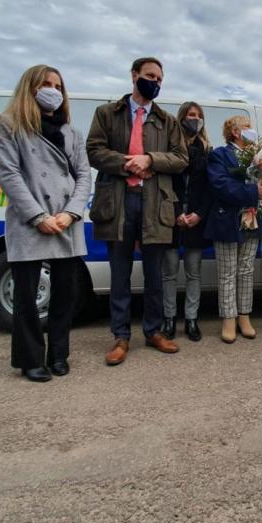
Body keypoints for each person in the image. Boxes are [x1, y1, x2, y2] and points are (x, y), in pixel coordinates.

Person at [87, 57, 188, 366]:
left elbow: (181, 158)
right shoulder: (107, 113)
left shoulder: (167, 120)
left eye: (159, 78)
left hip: (155, 204)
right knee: (120, 273)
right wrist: (127, 163)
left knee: (155, 275)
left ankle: (154, 331)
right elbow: (94, 150)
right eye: (149, 76)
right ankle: (120, 336)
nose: (154, 82)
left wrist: (150, 159)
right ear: (134, 76)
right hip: (119, 201)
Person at [0, 65, 91, 382]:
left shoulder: (72, 133)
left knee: (66, 295)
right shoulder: (9, 126)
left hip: (66, 221)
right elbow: (9, 174)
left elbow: (83, 176)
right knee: (27, 296)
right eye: (46, 84)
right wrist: (38, 216)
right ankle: (30, 358)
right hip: (30, 221)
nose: (53, 90)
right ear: (30, 88)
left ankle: (59, 354)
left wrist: (71, 213)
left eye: (58, 85)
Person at [204, 115, 262, 343]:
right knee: (227, 273)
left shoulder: (257, 157)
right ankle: (228, 319)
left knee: (246, 271)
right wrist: (254, 193)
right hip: (227, 221)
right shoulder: (219, 155)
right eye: (247, 127)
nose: (251, 131)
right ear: (235, 132)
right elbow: (220, 186)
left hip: (252, 219)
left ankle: (244, 316)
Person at [161, 101, 212, 342]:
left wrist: (199, 213)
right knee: (169, 272)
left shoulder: (207, 149)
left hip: (196, 220)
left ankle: (191, 319)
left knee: (194, 273)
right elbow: (164, 183)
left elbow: (210, 188)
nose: (195, 119)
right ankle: (169, 318)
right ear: (182, 118)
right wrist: (174, 212)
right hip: (171, 218)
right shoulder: (171, 147)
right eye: (191, 115)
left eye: (199, 115)